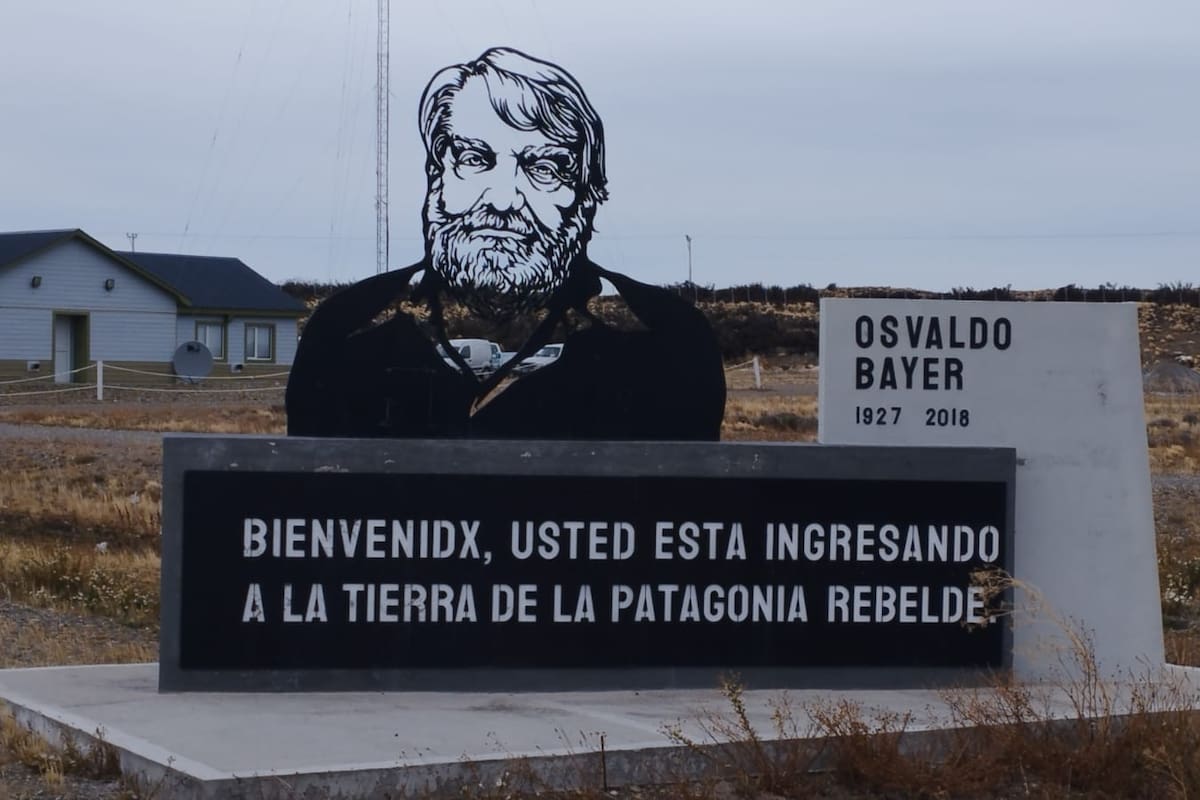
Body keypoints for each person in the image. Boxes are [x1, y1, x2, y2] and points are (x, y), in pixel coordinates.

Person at [286, 47, 725, 440]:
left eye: (543, 169)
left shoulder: (667, 342)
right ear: (437, 176)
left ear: (587, 197)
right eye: (476, 160)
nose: (503, 199)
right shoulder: (346, 332)